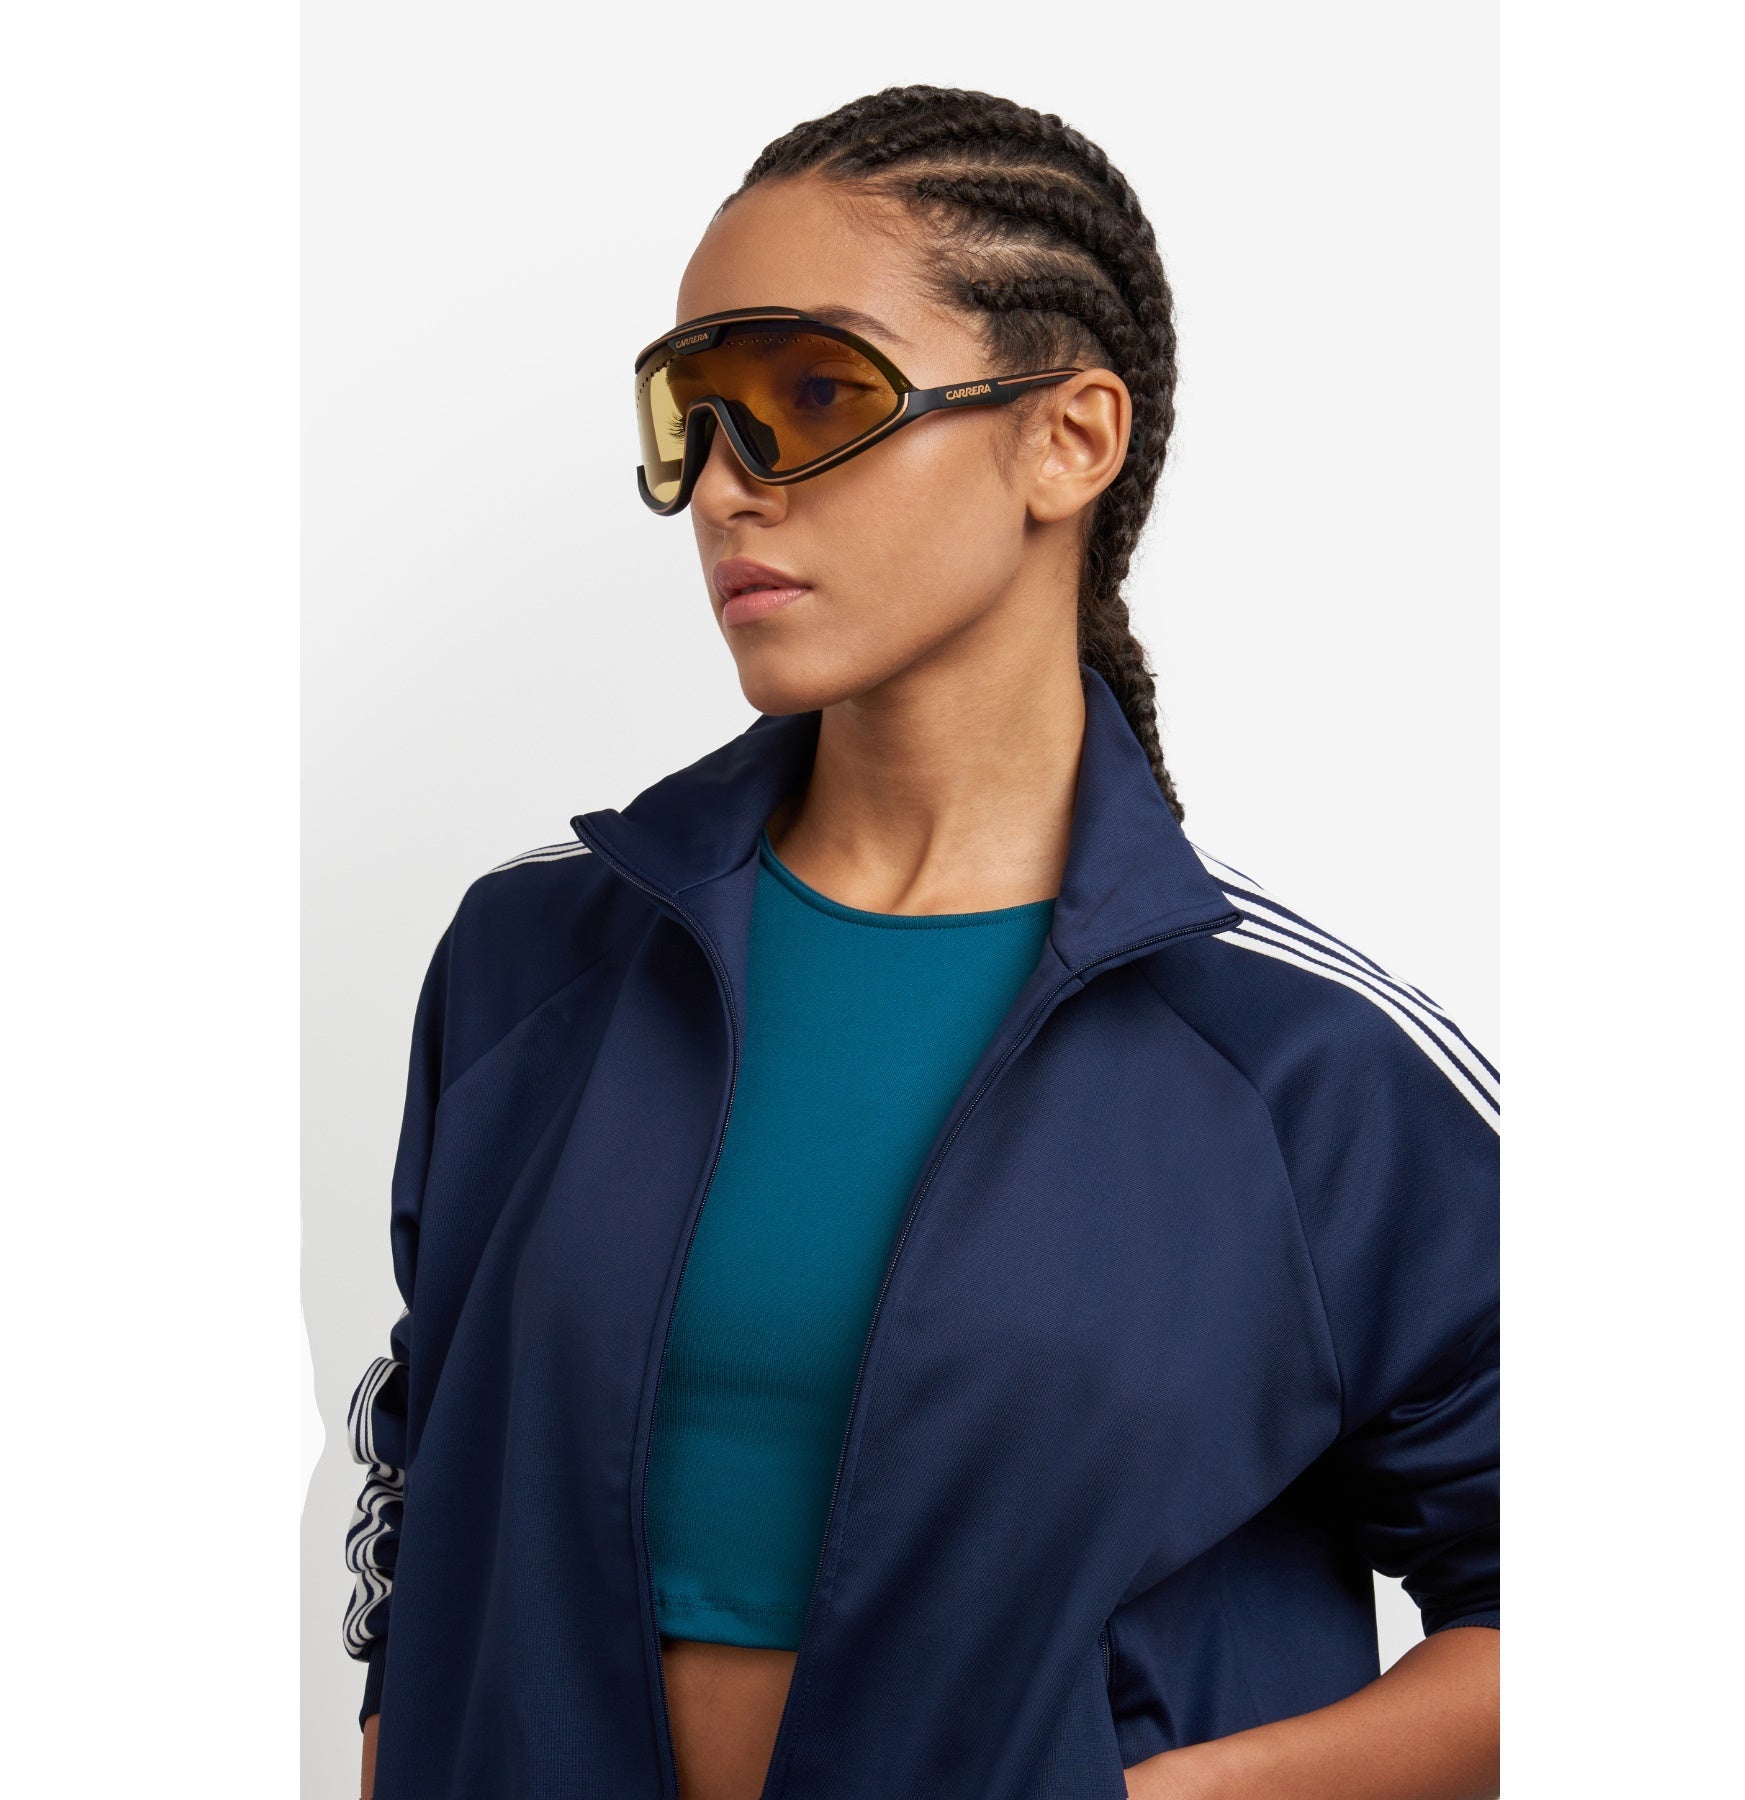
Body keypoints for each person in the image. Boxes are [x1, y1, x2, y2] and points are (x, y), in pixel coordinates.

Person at [342, 84, 1499, 1800]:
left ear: (1070, 441)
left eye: (816, 395)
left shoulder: (1308, 1068)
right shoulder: (538, 960)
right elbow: (426, 1456)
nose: (726, 488)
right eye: (691, 419)